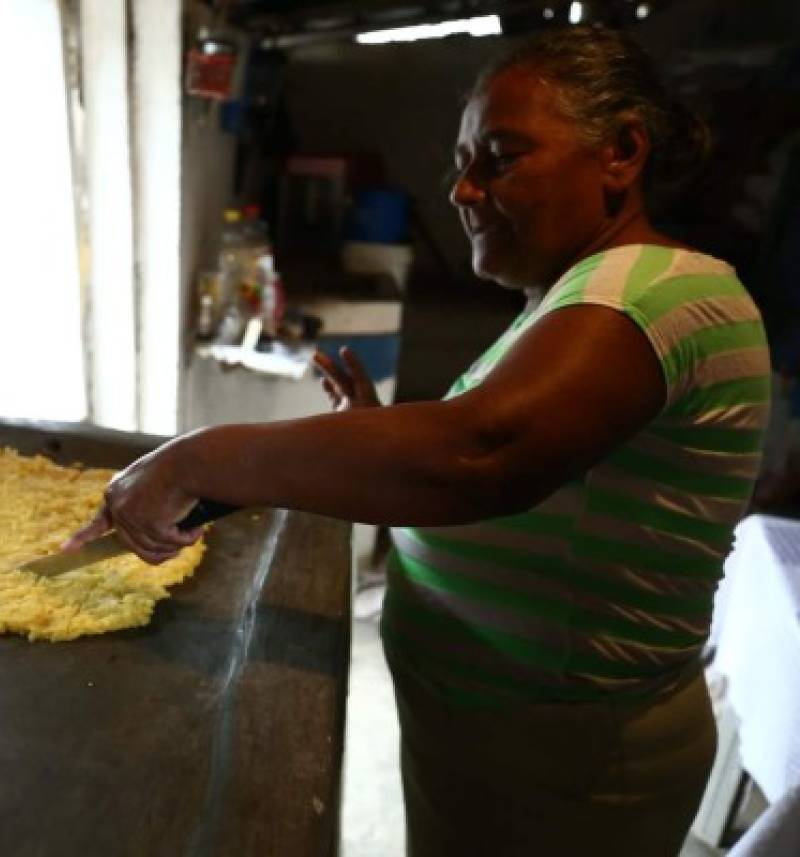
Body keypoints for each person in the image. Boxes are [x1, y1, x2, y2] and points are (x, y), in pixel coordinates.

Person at [66, 25, 771, 857]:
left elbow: (482, 455)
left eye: (499, 158)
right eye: (461, 163)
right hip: (502, 741)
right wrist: (376, 435)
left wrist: (193, 458)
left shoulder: (653, 292)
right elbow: (490, 461)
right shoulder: (571, 302)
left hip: (566, 765)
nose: (463, 192)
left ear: (619, 152)